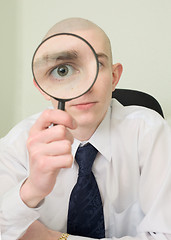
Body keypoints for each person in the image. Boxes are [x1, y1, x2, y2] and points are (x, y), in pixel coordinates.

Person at [0, 17, 171, 240]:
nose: (84, 87)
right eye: (62, 70)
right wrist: (31, 189)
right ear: (42, 86)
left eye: (97, 65)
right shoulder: (16, 144)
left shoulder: (151, 132)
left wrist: (55, 238)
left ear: (114, 77)